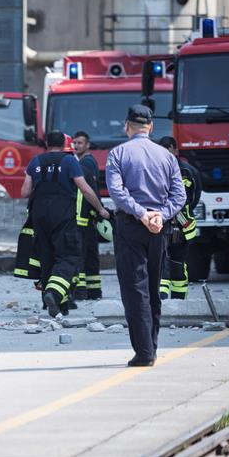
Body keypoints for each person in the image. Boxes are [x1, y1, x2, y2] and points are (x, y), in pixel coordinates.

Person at [106, 105, 185, 366]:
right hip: (159, 229)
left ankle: (144, 352)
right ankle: (151, 345)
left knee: (134, 289)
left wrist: (141, 214)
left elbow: (117, 192)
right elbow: (179, 196)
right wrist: (160, 215)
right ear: (150, 127)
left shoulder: (118, 154)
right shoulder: (167, 156)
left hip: (131, 226)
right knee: (152, 287)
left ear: (127, 126)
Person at [21, 131, 109, 319]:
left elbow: (25, 192)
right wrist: (100, 209)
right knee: (69, 257)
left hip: (39, 216)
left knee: (47, 257)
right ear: (64, 144)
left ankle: (56, 304)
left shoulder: (35, 161)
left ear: (46, 143)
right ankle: (54, 292)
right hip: (62, 216)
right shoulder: (69, 162)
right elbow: (85, 189)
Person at [158, 136, 202, 300]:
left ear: (175, 150)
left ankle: (179, 299)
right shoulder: (159, 169)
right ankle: (163, 296)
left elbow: (188, 200)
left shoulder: (186, 172)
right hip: (162, 224)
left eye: (168, 150)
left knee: (177, 262)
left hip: (181, 226)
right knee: (162, 258)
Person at [72, 131, 102, 300]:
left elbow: (90, 191)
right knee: (90, 255)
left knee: (81, 255)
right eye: (74, 143)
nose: (76, 146)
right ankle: (94, 291)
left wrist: (97, 210)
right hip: (88, 218)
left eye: (80, 143)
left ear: (88, 145)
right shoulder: (85, 162)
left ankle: (80, 292)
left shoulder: (86, 164)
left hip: (83, 219)